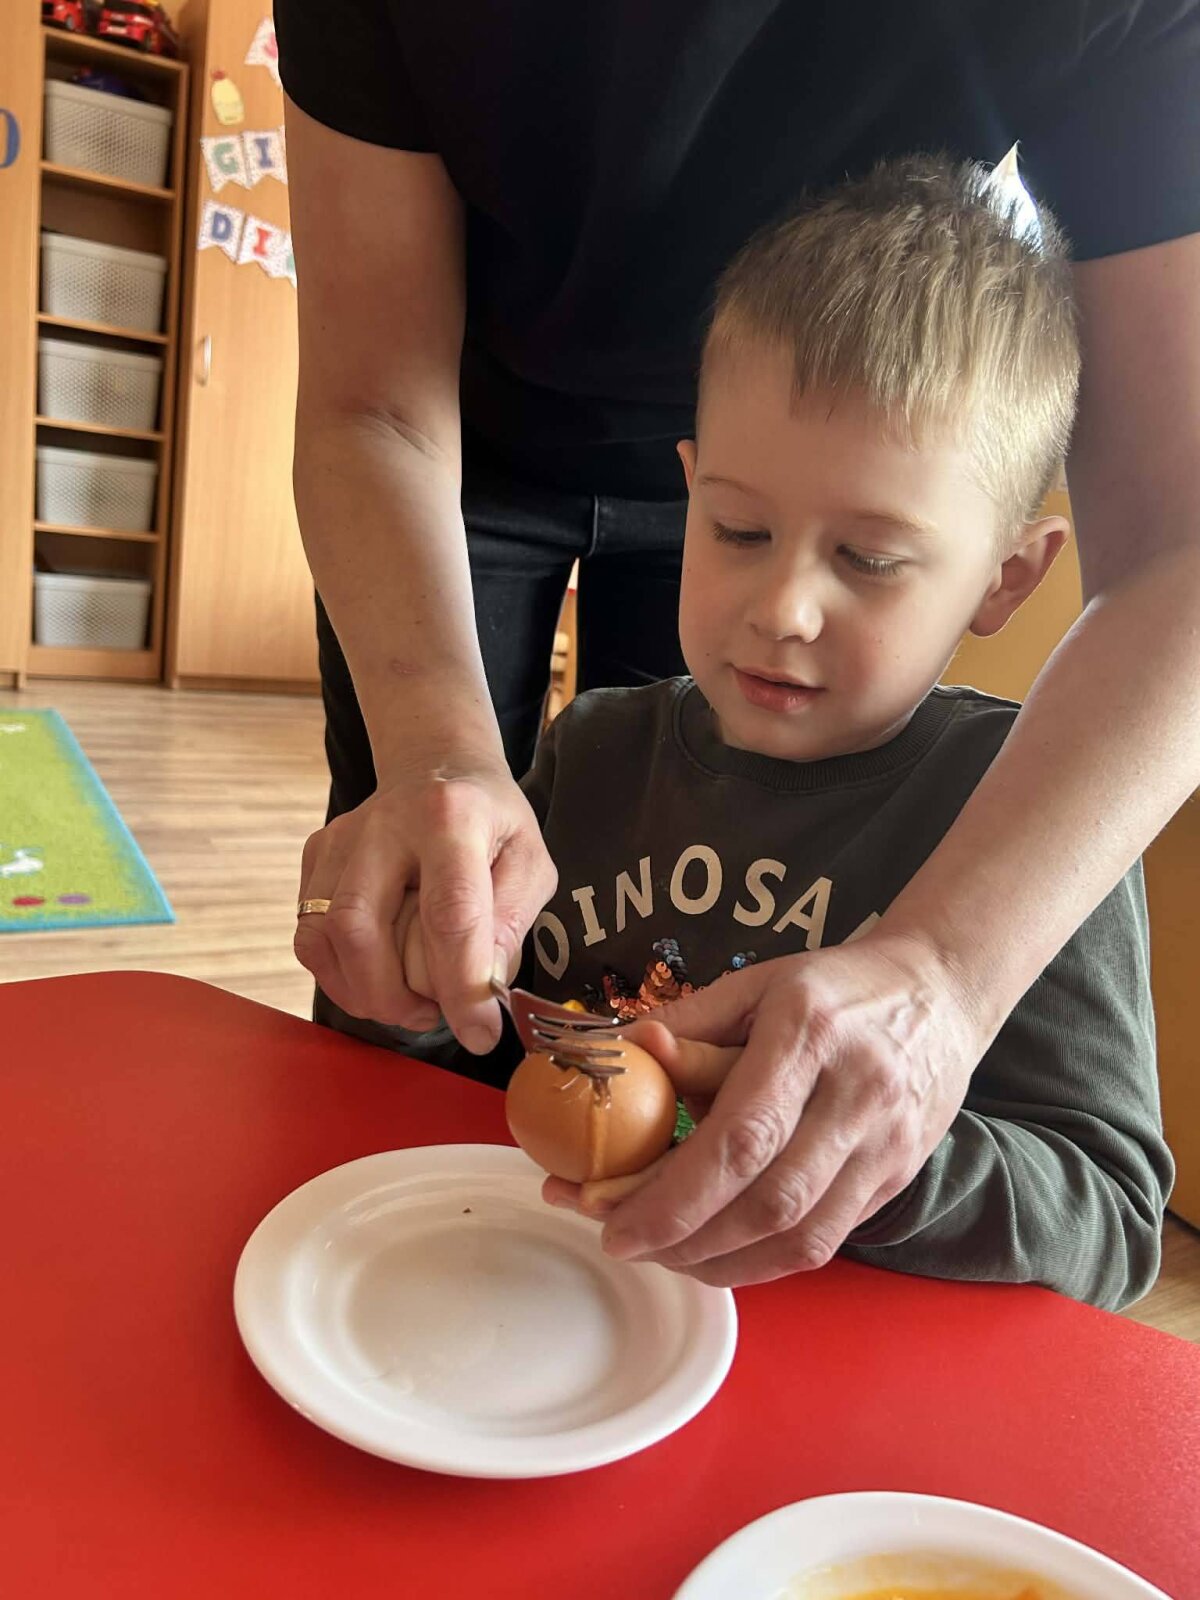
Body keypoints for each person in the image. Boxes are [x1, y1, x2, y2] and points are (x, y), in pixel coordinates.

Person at [275, 2, 1200, 1288]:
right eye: (740, 531)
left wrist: (879, 1149)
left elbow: (1105, 1221)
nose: (782, 612)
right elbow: (480, 1059)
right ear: (691, 492)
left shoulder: (1020, 811)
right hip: (576, 1315)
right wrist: (412, 981)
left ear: (1006, 580)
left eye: (869, 558)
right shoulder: (596, 758)